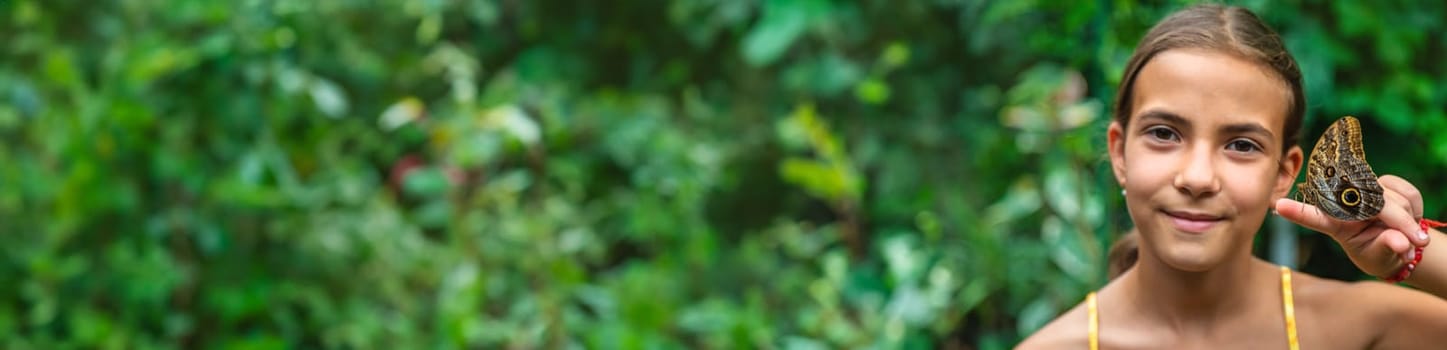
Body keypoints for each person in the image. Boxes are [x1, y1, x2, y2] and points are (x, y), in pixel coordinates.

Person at [1017, 4, 1447, 349]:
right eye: (1164, 134)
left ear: (1284, 173)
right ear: (1119, 153)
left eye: (1241, 144)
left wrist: (1412, 251)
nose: (1198, 178)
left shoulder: (1359, 327)